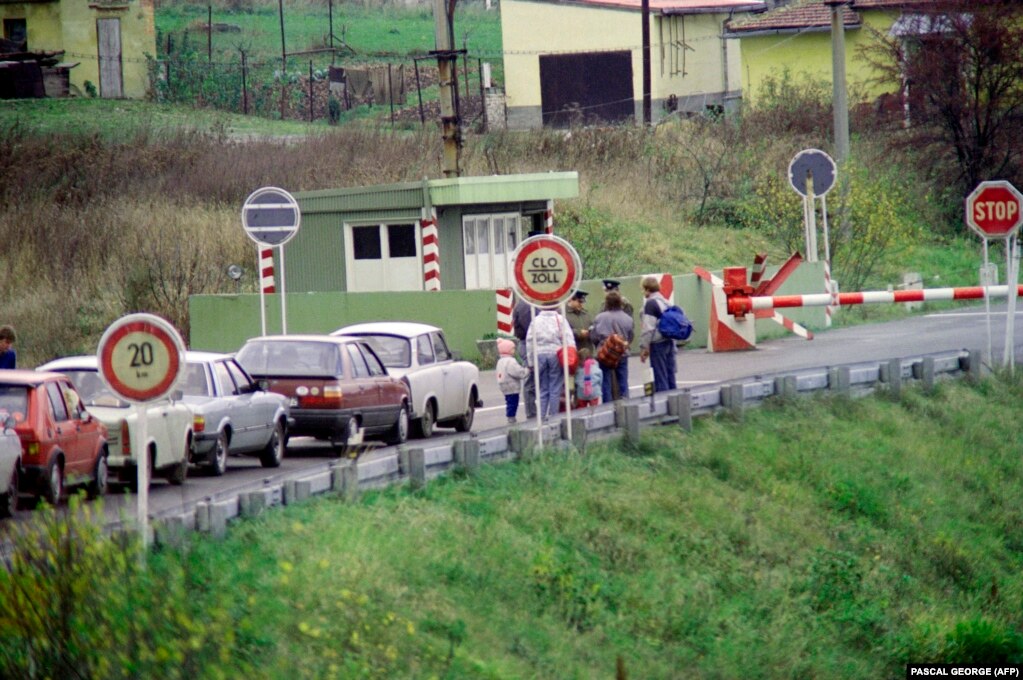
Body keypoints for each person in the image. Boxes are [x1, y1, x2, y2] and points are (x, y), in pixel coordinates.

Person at [525, 306, 575, 420]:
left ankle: (541, 417)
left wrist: (531, 362)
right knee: (555, 387)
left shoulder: (535, 320)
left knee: (543, 388)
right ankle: (554, 416)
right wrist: (572, 356)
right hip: (556, 354)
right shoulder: (560, 319)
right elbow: (568, 339)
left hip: (540, 355)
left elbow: (529, 341)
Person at [590, 291, 634, 402]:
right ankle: (625, 403)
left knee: (605, 381)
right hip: (621, 353)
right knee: (623, 380)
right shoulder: (628, 318)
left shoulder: (599, 318)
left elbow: (594, 336)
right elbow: (630, 336)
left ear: (607, 303)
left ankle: (607, 406)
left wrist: (599, 345)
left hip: (605, 353)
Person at [639, 275, 677, 392]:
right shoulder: (666, 302)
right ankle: (675, 402)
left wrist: (644, 347)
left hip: (658, 344)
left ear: (647, 289)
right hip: (669, 341)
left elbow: (648, 328)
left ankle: (663, 405)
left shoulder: (651, 304)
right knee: (670, 375)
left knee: (660, 377)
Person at [511, 296, 537, 418]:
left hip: (525, 343)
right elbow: (530, 328)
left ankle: (532, 412)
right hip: (529, 343)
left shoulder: (522, 305)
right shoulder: (527, 306)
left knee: (531, 380)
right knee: (531, 380)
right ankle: (532, 414)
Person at [495, 338, 529, 424]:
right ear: (508, 350)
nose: (514, 350)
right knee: (513, 402)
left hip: (503, 384)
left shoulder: (500, 361)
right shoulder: (511, 361)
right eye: (513, 349)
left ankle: (511, 416)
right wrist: (526, 371)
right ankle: (511, 417)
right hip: (511, 385)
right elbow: (517, 372)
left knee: (509, 401)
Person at [565, 290, 595, 355]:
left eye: (582, 302)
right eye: (579, 302)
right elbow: (562, 331)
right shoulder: (563, 314)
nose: (581, 305)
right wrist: (578, 333)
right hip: (572, 354)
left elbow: (593, 326)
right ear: (570, 299)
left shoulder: (586, 314)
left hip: (588, 353)